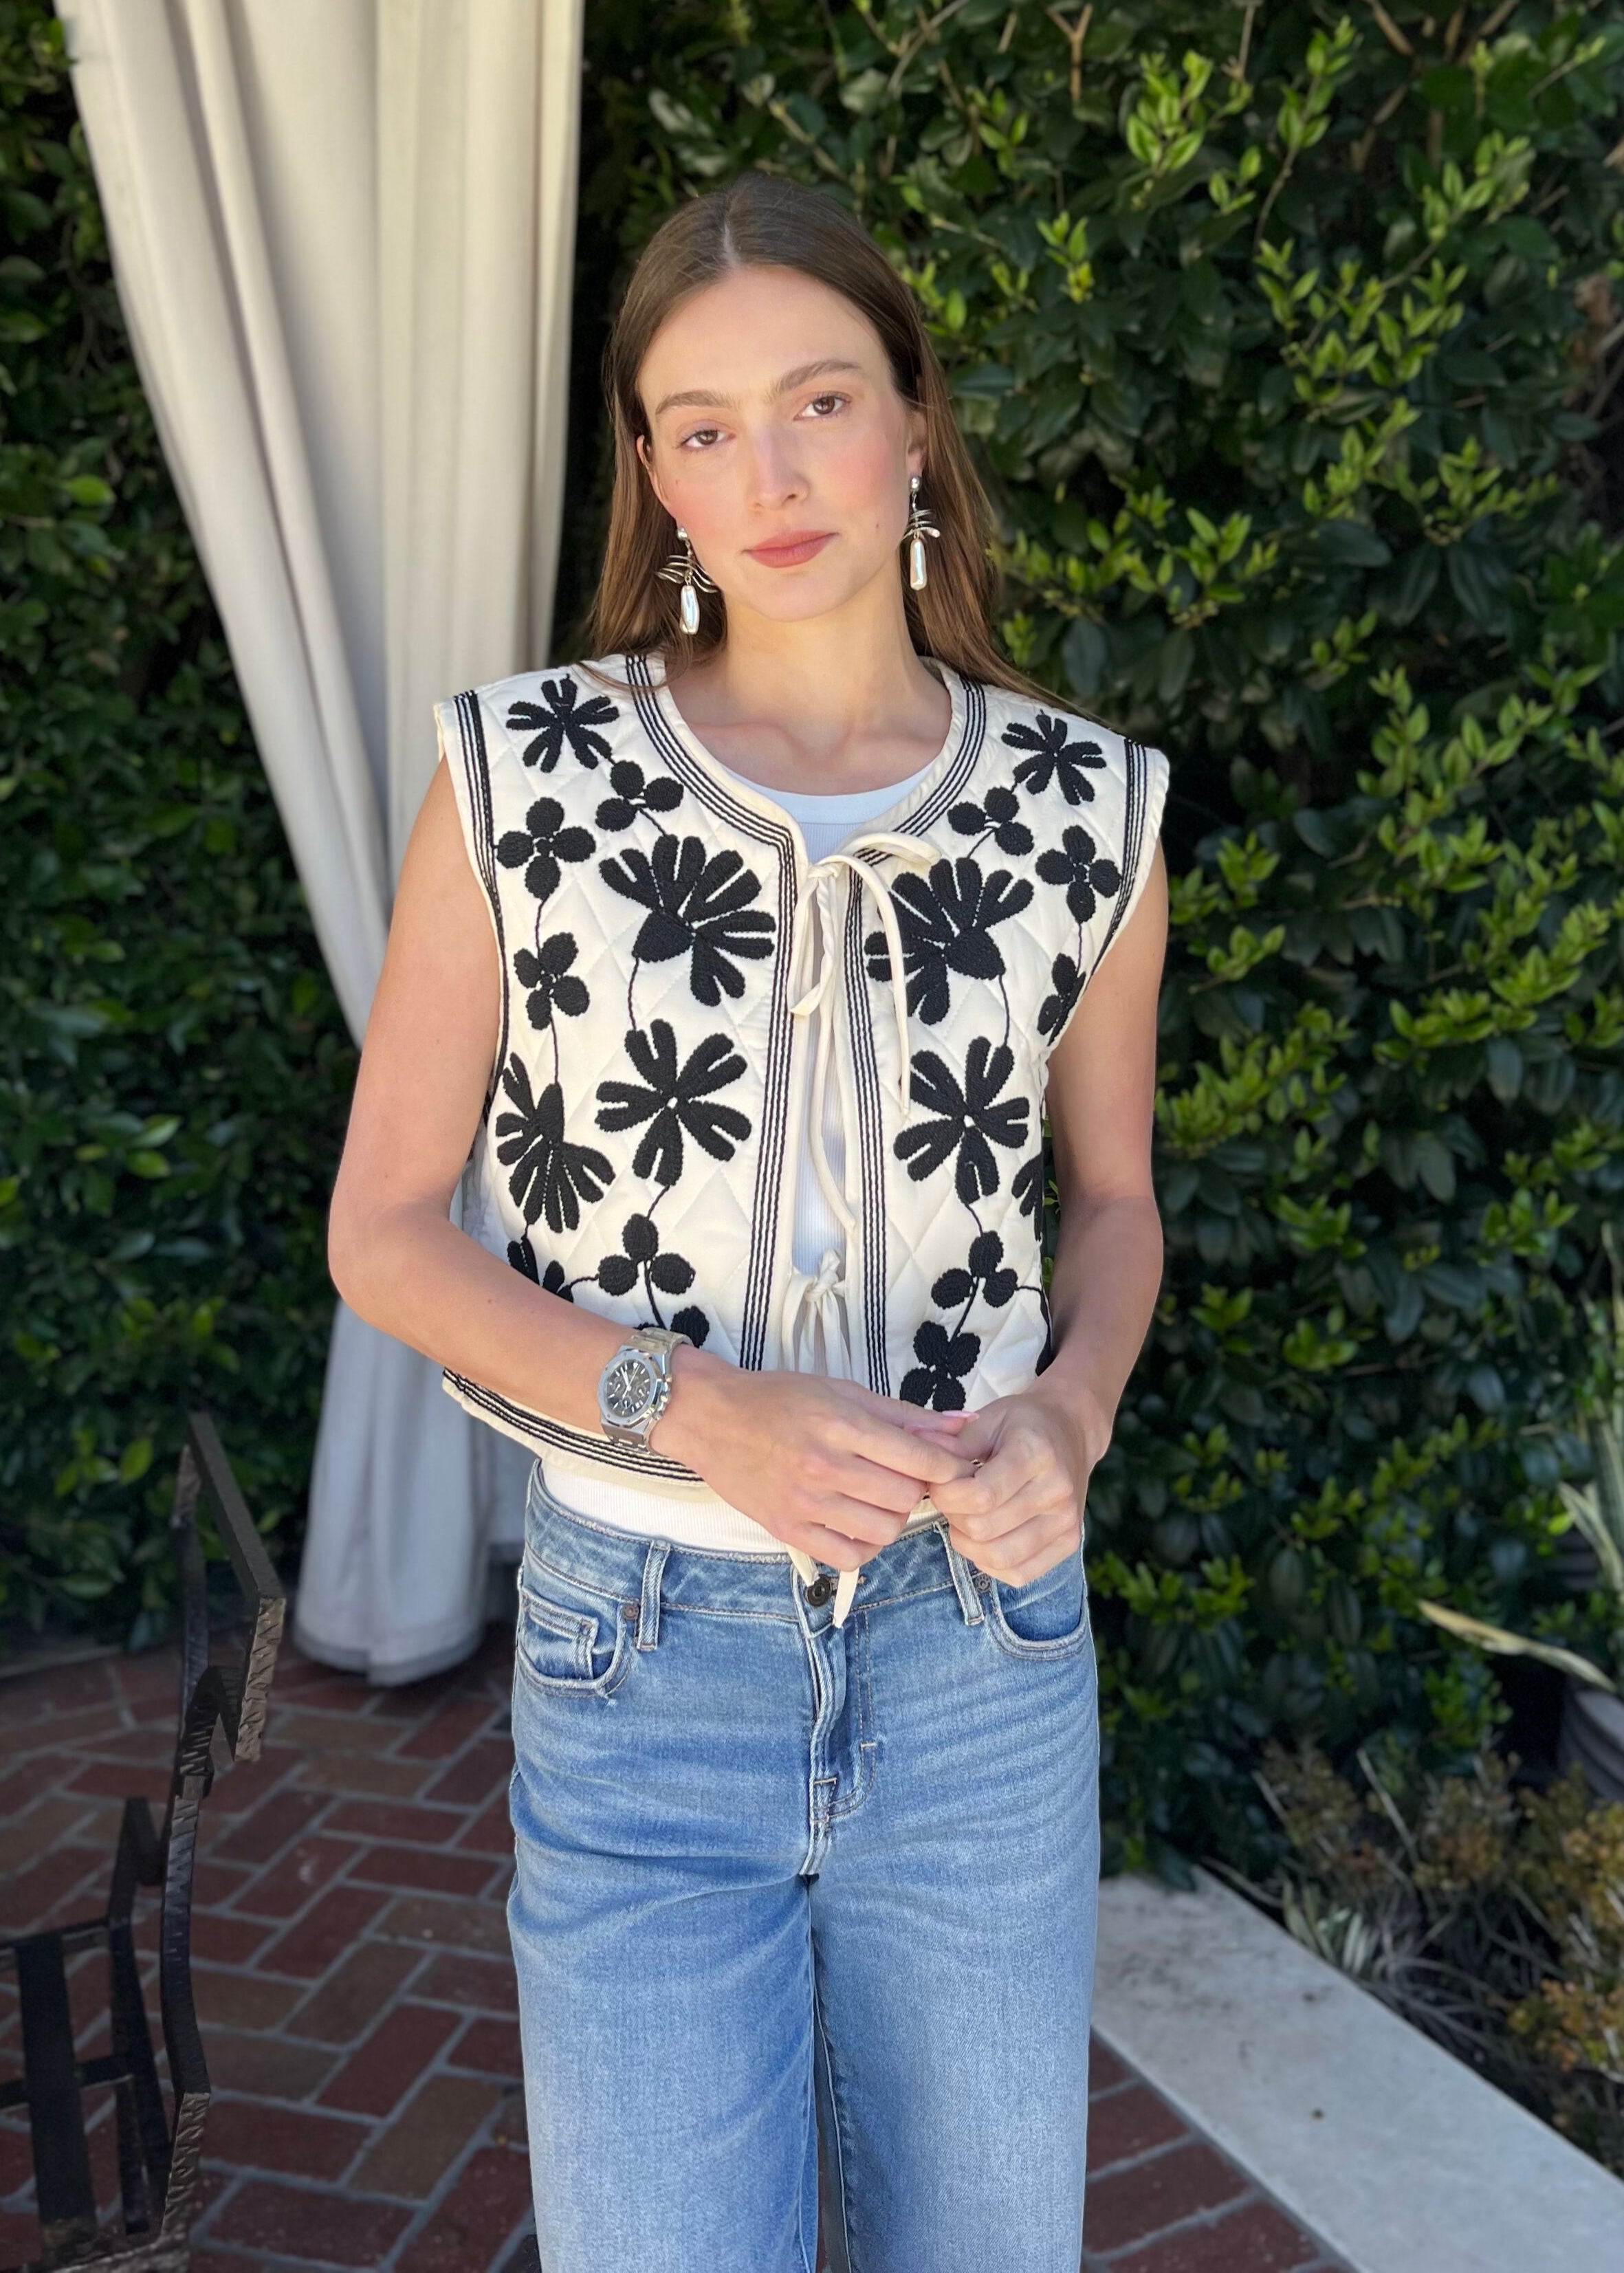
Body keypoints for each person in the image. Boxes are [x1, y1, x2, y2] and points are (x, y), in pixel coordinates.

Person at [328, 171, 1168, 2273]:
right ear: (651, 471)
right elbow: (385, 1228)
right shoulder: (522, 776)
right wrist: (699, 1411)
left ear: (914, 421)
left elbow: (1113, 1203)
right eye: (702, 428)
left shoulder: (1085, 807)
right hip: (638, 1656)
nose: (768, 478)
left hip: (979, 1660)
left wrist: (1069, 1412)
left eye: (818, 402)